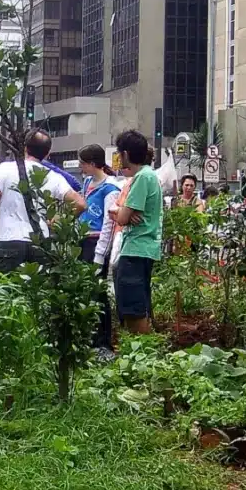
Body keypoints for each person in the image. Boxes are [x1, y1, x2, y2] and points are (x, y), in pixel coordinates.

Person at [0, 129, 85, 273]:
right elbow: (80, 204)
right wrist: (59, 221)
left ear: (25, 148)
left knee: (3, 291)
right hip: (40, 242)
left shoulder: (6, 168)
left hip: (9, 242)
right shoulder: (53, 176)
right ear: (48, 153)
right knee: (36, 291)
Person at [111, 130, 164, 334]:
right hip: (142, 249)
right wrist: (123, 211)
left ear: (125, 154)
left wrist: (122, 212)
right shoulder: (148, 176)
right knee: (137, 303)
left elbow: (123, 218)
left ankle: (142, 354)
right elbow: (123, 213)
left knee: (134, 308)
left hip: (136, 249)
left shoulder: (142, 177)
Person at [78, 144, 122, 357]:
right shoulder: (88, 183)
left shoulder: (110, 188)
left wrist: (99, 255)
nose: (81, 167)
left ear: (93, 164)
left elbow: (108, 224)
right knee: (87, 291)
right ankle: (90, 337)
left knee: (98, 293)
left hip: (96, 244)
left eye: (83, 163)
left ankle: (103, 342)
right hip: (83, 240)